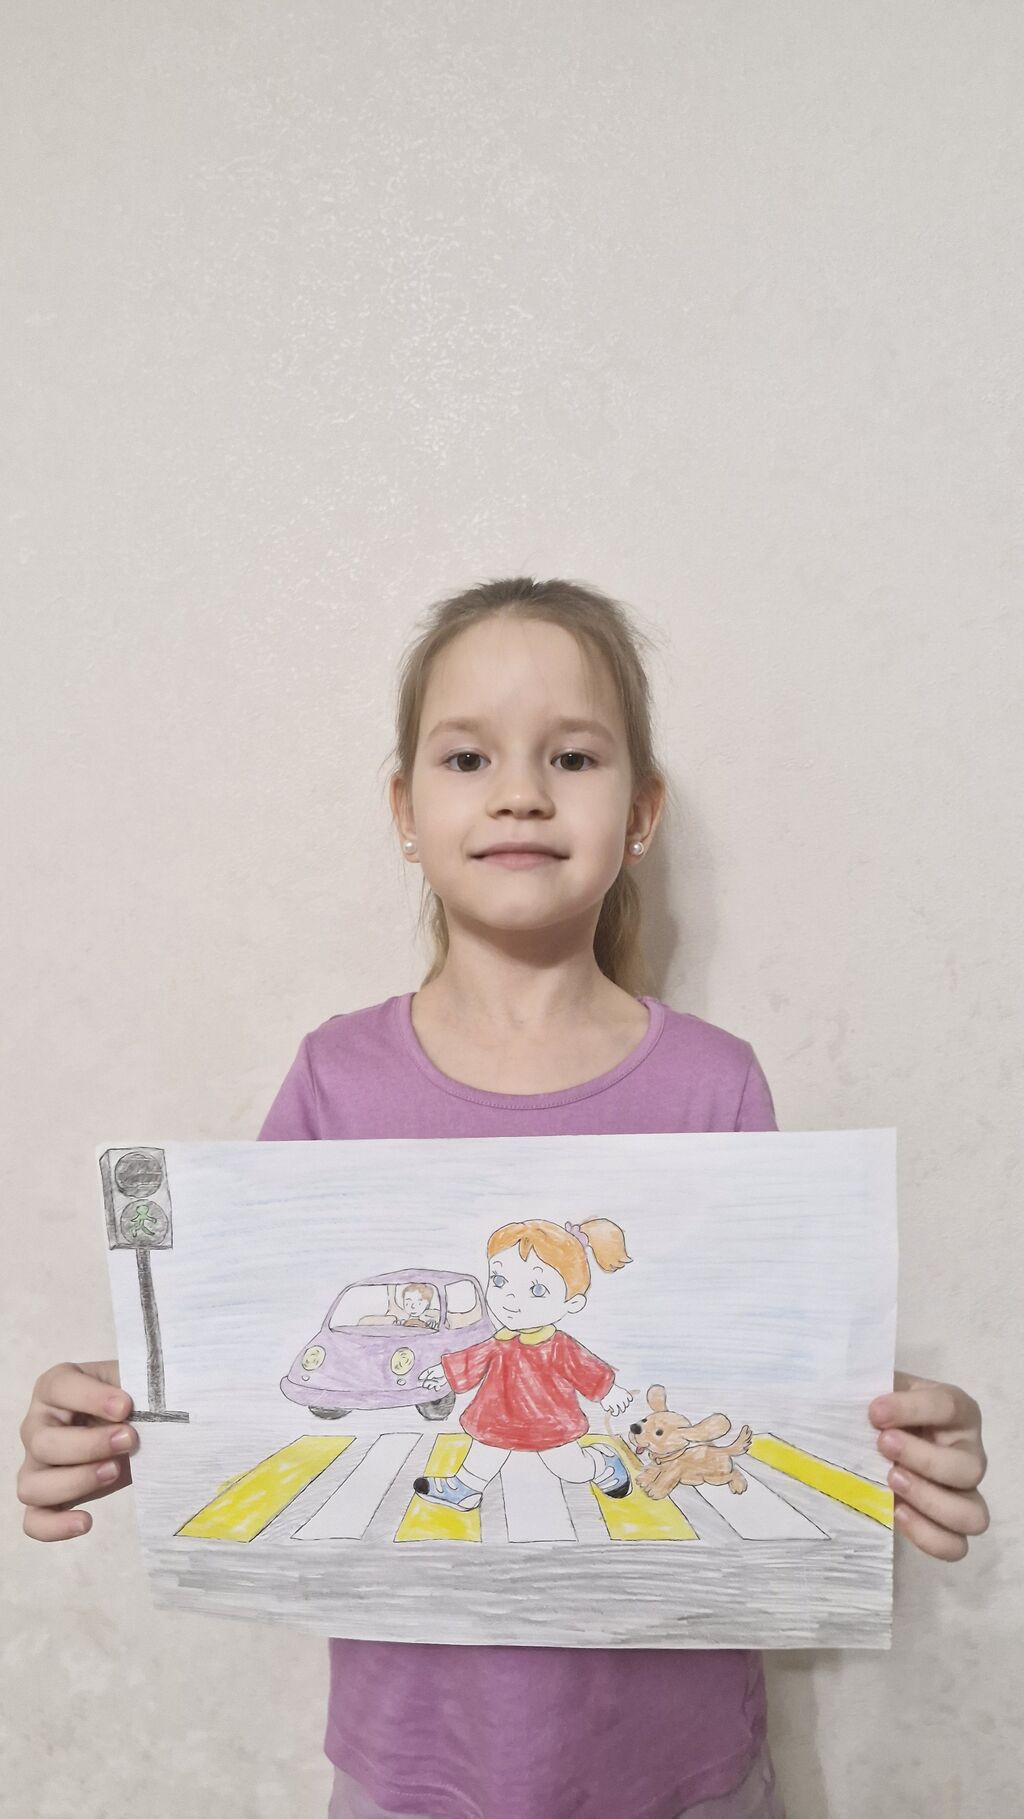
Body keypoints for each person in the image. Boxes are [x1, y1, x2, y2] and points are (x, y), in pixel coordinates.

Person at [17, 577, 991, 1819]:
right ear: (404, 812)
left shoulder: (714, 1083)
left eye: (571, 756)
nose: (520, 790)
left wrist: (894, 1438)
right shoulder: (334, 1076)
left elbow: (764, 1379)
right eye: (468, 755)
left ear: (640, 814)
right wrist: (110, 1414)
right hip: (410, 1771)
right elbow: (241, 1357)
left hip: (682, 1770)